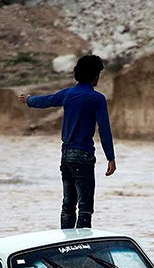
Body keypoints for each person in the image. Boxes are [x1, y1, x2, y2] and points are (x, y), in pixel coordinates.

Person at [18, 54, 116, 229]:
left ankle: (65, 243)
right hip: (83, 157)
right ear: (95, 75)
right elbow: (105, 130)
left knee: (68, 205)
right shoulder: (97, 99)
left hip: (66, 156)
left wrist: (29, 100)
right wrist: (111, 158)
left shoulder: (68, 94)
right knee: (85, 208)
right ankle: (81, 246)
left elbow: (46, 100)